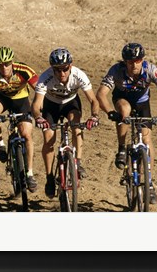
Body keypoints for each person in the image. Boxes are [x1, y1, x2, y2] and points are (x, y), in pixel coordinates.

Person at [96, 42, 157, 204]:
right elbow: (101, 94)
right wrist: (110, 112)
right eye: (131, 61)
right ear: (125, 61)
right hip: (122, 99)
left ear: (142, 60)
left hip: (142, 104)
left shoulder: (150, 70)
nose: (134, 64)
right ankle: (121, 149)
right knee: (124, 112)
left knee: (147, 142)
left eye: (138, 60)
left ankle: (149, 183)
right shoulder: (116, 71)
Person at [32, 48, 100, 199]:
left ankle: (78, 163)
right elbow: (36, 105)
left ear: (70, 66)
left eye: (65, 69)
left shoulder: (78, 75)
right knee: (49, 139)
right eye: (57, 70)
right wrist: (38, 118)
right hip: (51, 106)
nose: (62, 74)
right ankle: (50, 176)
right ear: (52, 69)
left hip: (70, 103)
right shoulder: (45, 78)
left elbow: (93, 100)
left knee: (76, 125)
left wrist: (94, 116)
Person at [0, 46, 39, 193]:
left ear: (12, 62)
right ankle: (1, 146)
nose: (4, 67)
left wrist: (38, 106)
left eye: (7, 63)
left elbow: (40, 89)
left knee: (27, 135)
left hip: (20, 99)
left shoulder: (24, 70)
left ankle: (29, 173)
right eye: (0, 64)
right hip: (0, 98)